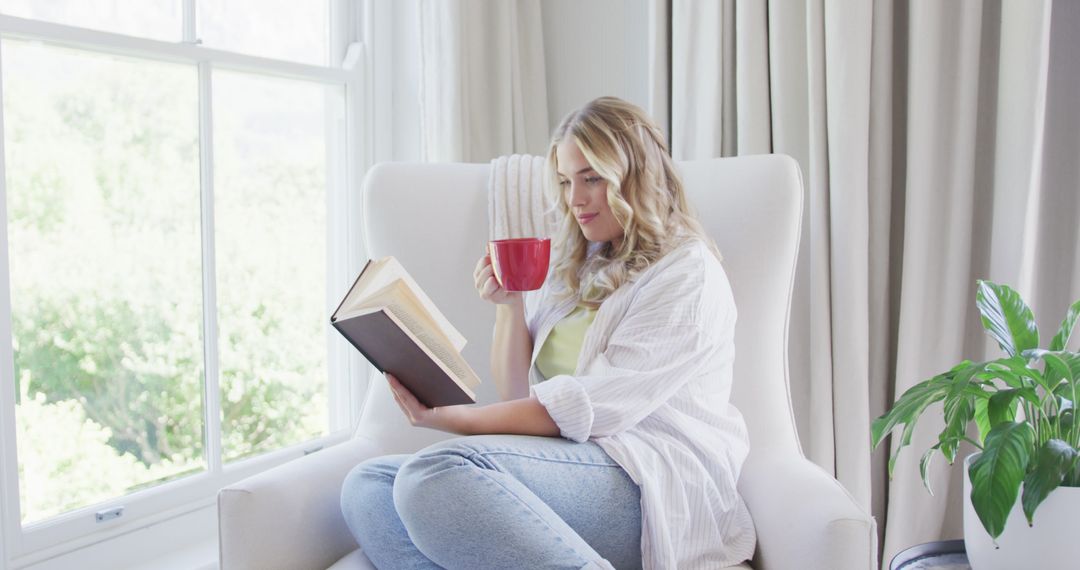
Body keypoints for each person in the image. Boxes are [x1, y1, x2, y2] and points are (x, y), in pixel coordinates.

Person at [339, 96, 755, 569]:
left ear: (635, 175)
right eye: (565, 181)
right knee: (368, 486)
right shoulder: (576, 261)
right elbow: (515, 389)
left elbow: (591, 408)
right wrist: (509, 305)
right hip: (561, 464)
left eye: (592, 178)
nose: (575, 199)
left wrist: (455, 420)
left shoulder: (687, 273)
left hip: (644, 478)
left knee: (431, 475)